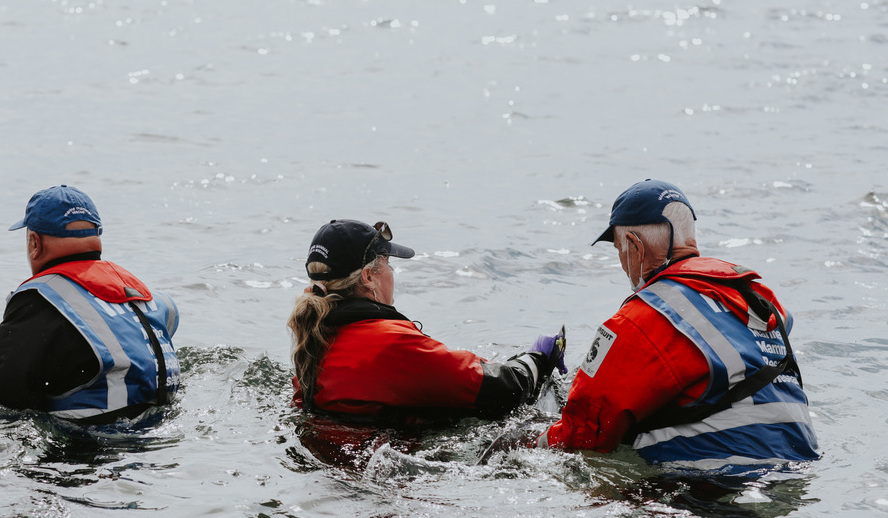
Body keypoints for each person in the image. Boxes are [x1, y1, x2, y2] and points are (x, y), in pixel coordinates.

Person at [535, 179, 819, 472]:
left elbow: (582, 434)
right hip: (797, 469)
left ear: (634, 245)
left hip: (711, 488)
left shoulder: (643, 319)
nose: (621, 262)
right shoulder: (758, 299)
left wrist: (520, 444)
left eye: (619, 249)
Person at [288, 219, 566, 426]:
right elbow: (498, 391)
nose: (392, 273)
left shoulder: (314, 338)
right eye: (388, 264)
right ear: (369, 277)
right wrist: (538, 359)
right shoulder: (388, 343)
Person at [0, 185, 180, 423]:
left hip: (88, 450)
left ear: (34, 243)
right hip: (160, 434)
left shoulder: (40, 300)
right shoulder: (144, 297)